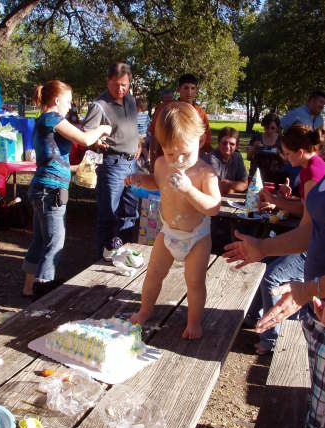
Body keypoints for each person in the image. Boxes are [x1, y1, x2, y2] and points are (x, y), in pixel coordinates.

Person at [223, 130, 325, 428]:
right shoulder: (319, 178)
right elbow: (310, 230)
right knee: (317, 424)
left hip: (315, 294)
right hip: (316, 308)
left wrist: (311, 289)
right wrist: (262, 249)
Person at [125, 102, 221, 339]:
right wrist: (140, 179)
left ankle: (194, 322)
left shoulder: (205, 173)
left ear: (199, 142)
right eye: (170, 153)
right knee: (153, 274)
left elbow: (214, 207)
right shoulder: (160, 165)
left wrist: (189, 190)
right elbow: (156, 183)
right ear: (162, 149)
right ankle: (145, 310)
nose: (177, 160)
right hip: (168, 233)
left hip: (196, 237)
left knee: (195, 282)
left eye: (184, 154)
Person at [22, 80, 111, 298]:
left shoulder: (44, 121)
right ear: (57, 100)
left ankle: (28, 287)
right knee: (55, 243)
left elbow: (54, 158)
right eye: (69, 101)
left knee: (41, 240)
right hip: (51, 191)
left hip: (43, 187)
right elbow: (85, 137)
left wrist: (82, 164)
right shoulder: (52, 117)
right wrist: (102, 128)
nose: (70, 106)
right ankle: (42, 293)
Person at [244, 125, 325, 354]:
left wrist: (263, 246)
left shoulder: (312, 172)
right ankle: (254, 316)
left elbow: (307, 221)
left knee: (272, 278)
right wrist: (276, 200)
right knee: (269, 268)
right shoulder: (311, 167)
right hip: (311, 248)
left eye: (288, 154)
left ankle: (274, 339)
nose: (287, 160)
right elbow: (306, 207)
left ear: (300, 152)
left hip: (311, 249)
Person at [83, 62, 140, 260]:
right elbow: (85, 136)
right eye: (116, 84)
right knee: (108, 215)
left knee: (130, 214)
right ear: (107, 81)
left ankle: (123, 254)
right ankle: (103, 258)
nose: (120, 89)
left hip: (133, 165)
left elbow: (133, 128)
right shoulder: (99, 105)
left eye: (124, 84)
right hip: (112, 165)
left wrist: (139, 143)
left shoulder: (131, 100)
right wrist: (97, 140)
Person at [203, 127, 248, 194]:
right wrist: (235, 186)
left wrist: (228, 184)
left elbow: (244, 185)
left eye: (232, 144)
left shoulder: (238, 157)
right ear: (218, 143)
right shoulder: (211, 158)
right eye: (224, 143)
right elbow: (217, 187)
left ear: (236, 146)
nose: (227, 146)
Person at [247, 113, 287, 184]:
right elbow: (248, 157)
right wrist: (254, 148)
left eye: (272, 128)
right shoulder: (257, 138)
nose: (269, 131)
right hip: (257, 176)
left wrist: (279, 153)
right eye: (267, 127)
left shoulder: (281, 140)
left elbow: (286, 162)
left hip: (275, 178)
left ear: (277, 128)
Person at [148, 88, 174, 172]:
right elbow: (153, 135)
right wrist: (152, 160)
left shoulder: (177, 108)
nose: (168, 104)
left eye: (170, 100)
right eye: (166, 101)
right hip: (161, 152)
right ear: (162, 100)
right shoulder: (159, 110)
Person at [136, 96, 151, 170]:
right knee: (144, 148)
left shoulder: (136, 116)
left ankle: (137, 159)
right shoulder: (146, 115)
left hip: (140, 136)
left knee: (141, 148)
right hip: (147, 135)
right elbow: (149, 125)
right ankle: (148, 159)